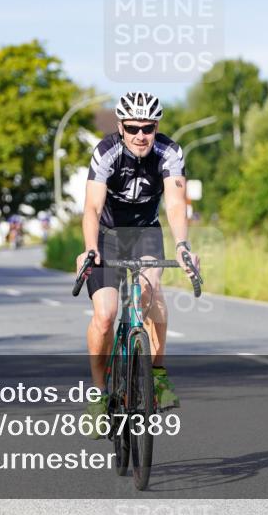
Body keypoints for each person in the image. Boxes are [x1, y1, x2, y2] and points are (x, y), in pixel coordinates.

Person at [75, 91, 199, 437]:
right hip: (107, 235)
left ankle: (156, 374)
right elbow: (91, 209)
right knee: (104, 315)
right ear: (121, 126)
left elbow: (175, 204)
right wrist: (89, 248)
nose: (141, 135)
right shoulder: (106, 152)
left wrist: (183, 245)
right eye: (133, 128)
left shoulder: (169, 152)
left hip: (144, 232)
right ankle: (99, 396)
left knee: (151, 290)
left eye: (148, 127)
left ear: (156, 126)